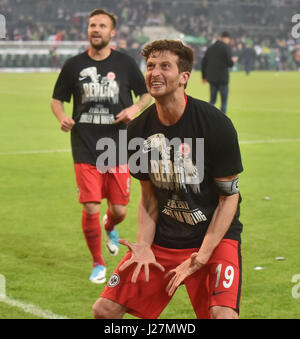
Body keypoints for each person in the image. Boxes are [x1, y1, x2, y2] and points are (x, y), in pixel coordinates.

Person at [92, 40, 244, 319]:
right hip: (165, 238)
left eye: (165, 66)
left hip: (213, 237)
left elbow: (229, 197)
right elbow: (148, 198)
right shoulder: (138, 130)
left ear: (184, 77)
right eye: (150, 66)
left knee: (223, 316)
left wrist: (203, 255)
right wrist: (143, 246)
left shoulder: (215, 124)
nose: (154, 72)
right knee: (104, 311)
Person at [50, 9, 151, 284]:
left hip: (116, 145)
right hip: (84, 144)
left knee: (118, 211)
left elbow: (146, 94)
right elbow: (56, 99)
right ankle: (98, 263)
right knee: (91, 206)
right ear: (88, 30)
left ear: (112, 32)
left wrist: (134, 108)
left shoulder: (125, 63)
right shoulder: (73, 66)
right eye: (92, 25)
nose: (96, 29)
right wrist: (62, 117)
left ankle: (110, 226)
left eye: (102, 26)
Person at [201, 32, 237, 114]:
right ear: (227, 38)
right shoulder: (226, 48)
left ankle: (207, 116)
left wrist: (204, 77)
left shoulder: (210, 48)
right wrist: (233, 61)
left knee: (212, 100)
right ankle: (223, 121)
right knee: (223, 103)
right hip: (223, 78)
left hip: (212, 78)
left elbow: (203, 63)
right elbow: (230, 63)